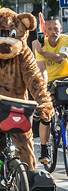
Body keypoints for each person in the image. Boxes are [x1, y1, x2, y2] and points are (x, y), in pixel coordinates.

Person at [32, 16, 68, 163]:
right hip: (50, 81)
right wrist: (44, 89)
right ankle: (44, 149)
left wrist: (41, 51)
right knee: (46, 113)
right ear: (45, 31)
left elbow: (61, 58)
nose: (54, 31)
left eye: (56, 28)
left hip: (66, 78)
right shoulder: (41, 44)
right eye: (50, 29)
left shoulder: (65, 39)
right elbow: (42, 69)